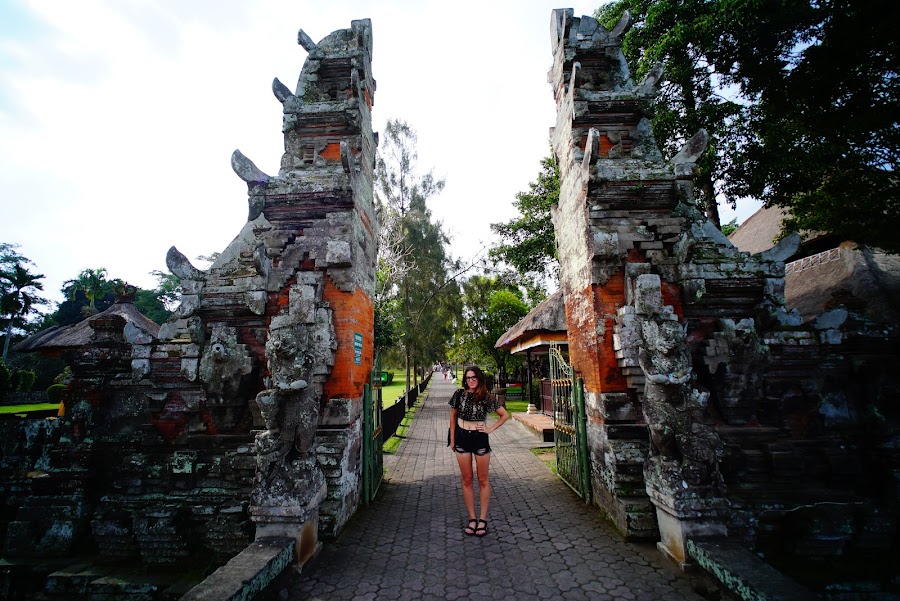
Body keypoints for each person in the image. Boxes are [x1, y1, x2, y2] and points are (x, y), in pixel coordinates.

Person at [448, 365, 509, 537]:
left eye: (474, 377)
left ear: (479, 378)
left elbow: (504, 415)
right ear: (465, 380)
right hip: (461, 438)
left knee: (483, 480)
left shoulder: (485, 397)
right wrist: (452, 439)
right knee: (467, 479)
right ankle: (472, 518)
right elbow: (453, 416)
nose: (471, 380)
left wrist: (489, 429)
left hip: (479, 438)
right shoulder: (458, 395)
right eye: (468, 378)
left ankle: (483, 519)